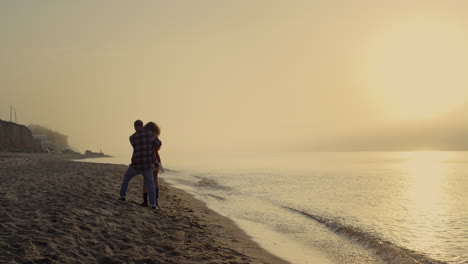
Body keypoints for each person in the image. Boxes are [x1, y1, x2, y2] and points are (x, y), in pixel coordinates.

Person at [119, 120, 159, 209]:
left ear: (135, 127)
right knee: (151, 184)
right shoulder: (150, 134)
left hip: (136, 164)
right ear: (142, 125)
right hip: (147, 164)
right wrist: (153, 137)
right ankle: (153, 204)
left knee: (126, 178)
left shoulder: (132, 137)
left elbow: (135, 147)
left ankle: (122, 196)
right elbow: (159, 143)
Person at [140, 122, 163, 208]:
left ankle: (146, 201)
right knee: (155, 179)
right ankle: (155, 201)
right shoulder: (155, 138)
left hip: (147, 159)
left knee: (146, 180)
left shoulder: (145, 137)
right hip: (156, 159)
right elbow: (158, 146)